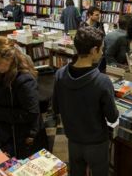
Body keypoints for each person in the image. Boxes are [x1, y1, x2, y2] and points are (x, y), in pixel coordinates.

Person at [53, 26, 119, 176]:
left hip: (73, 139)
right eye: (101, 49)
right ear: (94, 50)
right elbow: (112, 116)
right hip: (96, 142)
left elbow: (56, 108)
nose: (102, 52)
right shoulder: (102, 81)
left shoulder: (60, 74)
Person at [0, 36, 47, 159]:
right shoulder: (2, 74)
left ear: (9, 58)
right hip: (9, 136)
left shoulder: (25, 80)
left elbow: (31, 114)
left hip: (23, 141)